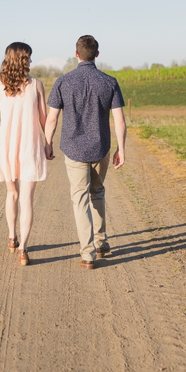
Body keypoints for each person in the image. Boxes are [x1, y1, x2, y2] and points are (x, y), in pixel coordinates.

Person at [44, 35, 127, 270]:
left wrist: (47, 142)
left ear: (76, 53)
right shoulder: (109, 82)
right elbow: (119, 121)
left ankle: (88, 253)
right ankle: (101, 242)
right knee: (98, 192)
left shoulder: (63, 82)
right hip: (100, 148)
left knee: (80, 198)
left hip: (73, 149)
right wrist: (122, 148)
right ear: (97, 54)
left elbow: (52, 118)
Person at [0, 42, 48, 266]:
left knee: (12, 195)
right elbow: (44, 119)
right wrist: (48, 144)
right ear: (25, 59)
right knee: (26, 199)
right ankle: (23, 250)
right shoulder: (37, 85)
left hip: (6, 146)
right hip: (30, 145)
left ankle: (11, 237)